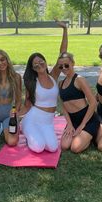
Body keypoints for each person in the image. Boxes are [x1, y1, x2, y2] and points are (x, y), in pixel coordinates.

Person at [20, 21, 68, 153]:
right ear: (33, 68)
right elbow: (27, 104)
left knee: (52, 148)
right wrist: (14, 115)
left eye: (41, 61)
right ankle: (25, 127)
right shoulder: (32, 82)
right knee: (38, 147)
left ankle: (37, 133)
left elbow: (63, 53)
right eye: (36, 64)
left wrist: (65, 30)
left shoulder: (53, 76)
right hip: (33, 119)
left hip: (48, 122)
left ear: (46, 63)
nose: (39, 65)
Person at [58, 52, 100, 153]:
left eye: (66, 65)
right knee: (64, 146)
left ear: (73, 63)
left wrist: (82, 125)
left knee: (75, 148)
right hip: (73, 121)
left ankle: (91, 136)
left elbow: (93, 102)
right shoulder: (60, 84)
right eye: (61, 66)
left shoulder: (79, 80)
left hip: (88, 120)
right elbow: (63, 106)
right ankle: (83, 136)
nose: (64, 68)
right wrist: (70, 124)